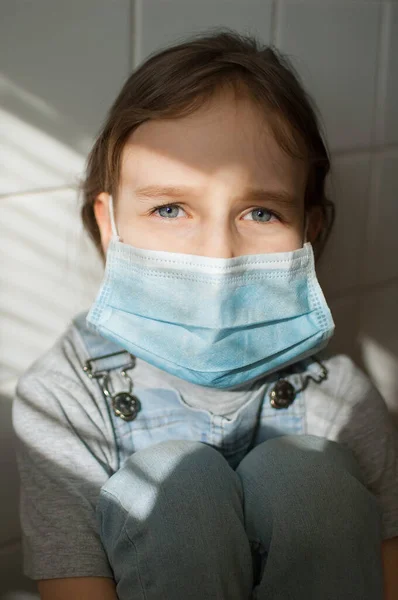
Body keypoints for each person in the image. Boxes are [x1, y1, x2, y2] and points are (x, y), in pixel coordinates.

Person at [12, 30, 398, 600]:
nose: (218, 254)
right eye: (170, 208)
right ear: (109, 222)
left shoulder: (340, 399)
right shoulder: (64, 399)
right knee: (175, 483)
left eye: (261, 212)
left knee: (309, 480)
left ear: (308, 233)